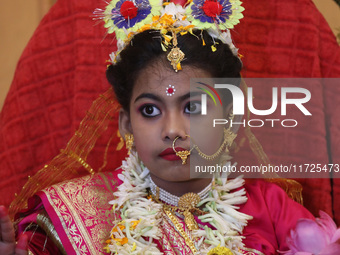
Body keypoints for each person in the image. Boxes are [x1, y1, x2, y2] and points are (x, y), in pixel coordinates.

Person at [0, 0, 339, 254]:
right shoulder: (80, 212)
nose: (173, 130)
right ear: (125, 125)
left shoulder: (272, 209)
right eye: (150, 110)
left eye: (193, 107)